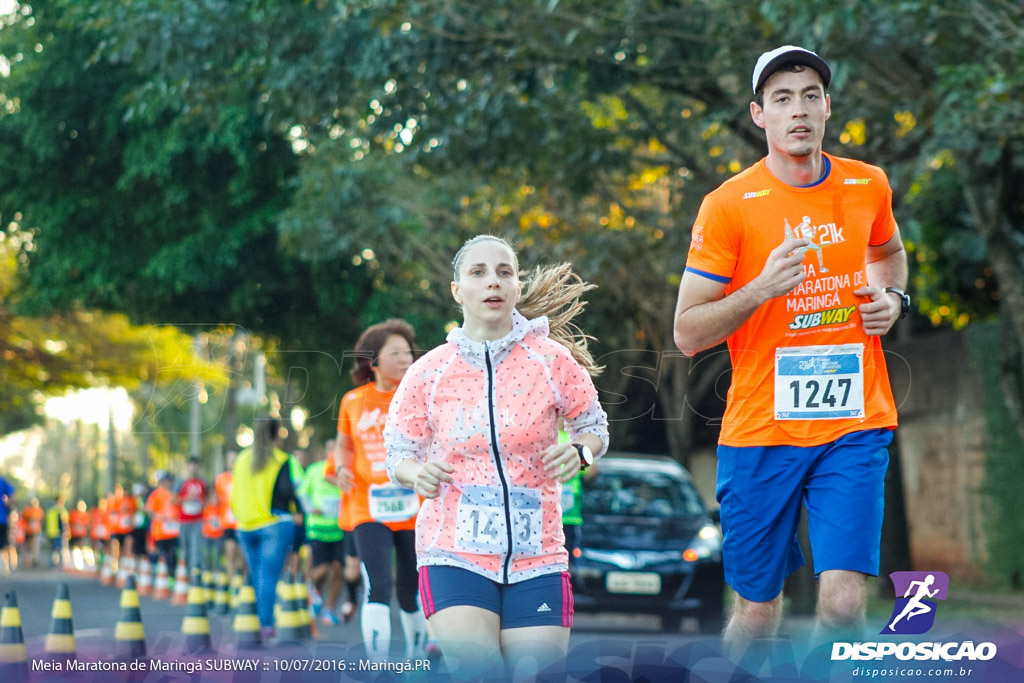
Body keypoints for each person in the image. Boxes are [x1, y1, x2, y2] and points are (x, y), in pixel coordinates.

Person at [672, 45, 908, 653]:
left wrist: (893, 300)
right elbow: (688, 332)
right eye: (782, 99)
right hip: (760, 432)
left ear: (828, 107)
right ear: (759, 115)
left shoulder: (867, 184)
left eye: (810, 96)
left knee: (844, 602)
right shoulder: (728, 206)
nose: (798, 110)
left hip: (854, 425)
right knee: (757, 613)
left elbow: (888, 254)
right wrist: (761, 289)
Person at [385, 235, 609, 678]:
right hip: (452, 553)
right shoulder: (429, 371)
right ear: (457, 291)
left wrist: (580, 451)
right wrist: (417, 474)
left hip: (538, 555)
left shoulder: (551, 360)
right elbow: (399, 453)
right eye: (479, 272)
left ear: (517, 287)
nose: (493, 282)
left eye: (505, 272)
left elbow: (594, 427)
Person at [329, 319, 427, 662]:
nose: (406, 359)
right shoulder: (353, 402)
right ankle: (379, 666)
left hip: (415, 507)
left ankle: (417, 659)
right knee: (379, 585)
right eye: (396, 353)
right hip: (367, 507)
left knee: (410, 590)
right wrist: (341, 469)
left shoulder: (421, 399)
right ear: (373, 361)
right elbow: (344, 446)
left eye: (409, 352)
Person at [231, 416, 304, 642]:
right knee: (268, 576)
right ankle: (265, 624)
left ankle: (252, 622)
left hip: (244, 526)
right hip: (274, 524)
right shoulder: (283, 459)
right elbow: (297, 492)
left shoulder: (242, 458)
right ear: (277, 434)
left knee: (255, 574)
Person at [297, 441, 350, 625]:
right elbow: (302, 493)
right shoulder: (314, 470)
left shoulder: (346, 471)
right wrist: (311, 509)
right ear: (326, 452)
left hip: (340, 528)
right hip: (318, 528)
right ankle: (309, 589)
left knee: (337, 570)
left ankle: (329, 609)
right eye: (330, 450)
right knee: (321, 570)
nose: (334, 453)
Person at [214, 451, 244, 586]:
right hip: (228, 523)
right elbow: (216, 499)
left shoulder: (244, 477)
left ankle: (242, 582)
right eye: (230, 459)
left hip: (243, 522)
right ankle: (233, 585)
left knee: (242, 557)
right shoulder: (221, 479)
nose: (232, 462)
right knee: (230, 553)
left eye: (235, 459)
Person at [176, 456, 208, 574]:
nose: (193, 468)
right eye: (191, 465)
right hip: (184, 521)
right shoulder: (181, 483)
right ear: (187, 467)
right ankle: (184, 573)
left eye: (196, 465)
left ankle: (195, 573)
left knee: (196, 548)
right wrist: (186, 499)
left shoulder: (203, 483)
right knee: (184, 548)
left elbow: (208, 498)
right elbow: (173, 500)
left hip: (198, 521)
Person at [146, 471, 180, 572]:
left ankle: (171, 574)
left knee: (173, 553)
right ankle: (161, 575)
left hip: (173, 531)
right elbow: (148, 510)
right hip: (160, 531)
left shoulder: (174, 494)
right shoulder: (156, 494)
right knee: (162, 554)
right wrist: (160, 516)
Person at [0, 474, 15, 574]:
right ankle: (5, 567)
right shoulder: (3, 482)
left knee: (3, 544)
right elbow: (13, 498)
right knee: (3, 544)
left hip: (1, 519)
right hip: (2, 519)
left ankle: (5, 566)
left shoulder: (2, 482)